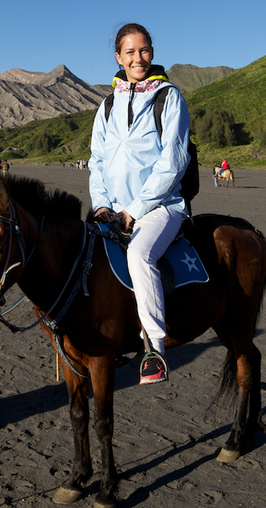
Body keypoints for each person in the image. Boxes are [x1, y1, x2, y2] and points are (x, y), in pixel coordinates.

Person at [89, 23, 191, 385]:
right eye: (130, 52)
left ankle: (155, 349)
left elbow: (173, 162)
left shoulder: (169, 97)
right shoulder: (107, 104)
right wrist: (102, 205)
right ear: (118, 57)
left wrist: (133, 210)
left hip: (161, 208)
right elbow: (96, 161)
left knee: (139, 255)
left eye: (144, 50)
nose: (138, 58)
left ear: (152, 52)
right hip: (113, 209)